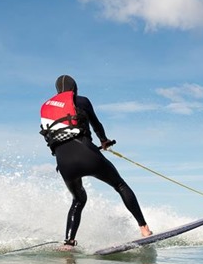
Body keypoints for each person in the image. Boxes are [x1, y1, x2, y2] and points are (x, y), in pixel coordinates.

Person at [40, 74, 152, 249]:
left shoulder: (47, 109)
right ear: (74, 89)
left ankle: (69, 242)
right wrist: (104, 141)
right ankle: (144, 228)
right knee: (120, 185)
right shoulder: (82, 101)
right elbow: (96, 124)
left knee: (78, 199)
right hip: (87, 155)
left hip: (64, 164)